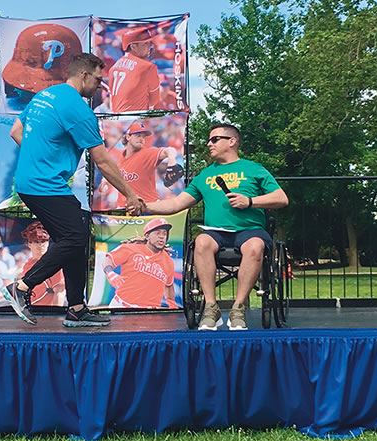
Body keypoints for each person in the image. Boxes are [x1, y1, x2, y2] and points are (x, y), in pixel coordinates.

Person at [5, 53, 144, 328]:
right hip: (44, 185)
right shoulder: (79, 111)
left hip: (31, 182)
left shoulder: (44, 96)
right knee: (74, 236)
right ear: (83, 75)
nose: (100, 86)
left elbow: (16, 131)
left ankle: (77, 308)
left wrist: (41, 156)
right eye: (98, 79)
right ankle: (21, 287)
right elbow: (103, 160)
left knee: (73, 237)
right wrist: (129, 194)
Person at [144, 123, 289, 330]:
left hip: (250, 230)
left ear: (232, 141)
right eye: (208, 140)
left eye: (214, 139)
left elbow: (281, 198)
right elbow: (176, 204)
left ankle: (238, 308)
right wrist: (145, 207)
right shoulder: (204, 176)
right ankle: (211, 307)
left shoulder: (253, 169)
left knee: (255, 246)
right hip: (216, 233)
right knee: (201, 242)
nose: (208, 144)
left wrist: (249, 202)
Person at [102, 218, 176, 309]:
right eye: (157, 233)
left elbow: (169, 285)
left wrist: (171, 302)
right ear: (147, 236)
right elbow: (108, 259)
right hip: (121, 305)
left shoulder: (168, 261)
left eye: (164, 233)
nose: (162, 236)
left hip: (149, 312)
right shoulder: (130, 249)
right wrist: (110, 272)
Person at [111, 122, 182, 206]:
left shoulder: (147, 153)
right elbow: (115, 171)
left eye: (143, 137)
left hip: (148, 207)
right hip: (124, 208)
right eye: (138, 135)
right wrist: (105, 180)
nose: (141, 139)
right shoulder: (120, 156)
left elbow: (170, 150)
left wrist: (171, 161)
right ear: (128, 137)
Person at [108, 26, 161, 113]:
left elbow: (112, 101)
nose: (150, 46)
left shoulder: (113, 68)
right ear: (133, 47)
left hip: (116, 121)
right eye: (146, 43)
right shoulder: (148, 67)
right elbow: (153, 101)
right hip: (135, 120)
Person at [17, 221, 66, 307]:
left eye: (43, 241)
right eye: (36, 241)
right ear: (29, 244)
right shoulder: (28, 264)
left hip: (47, 312)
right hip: (31, 310)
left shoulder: (53, 263)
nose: (40, 245)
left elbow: (60, 292)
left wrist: (55, 316)